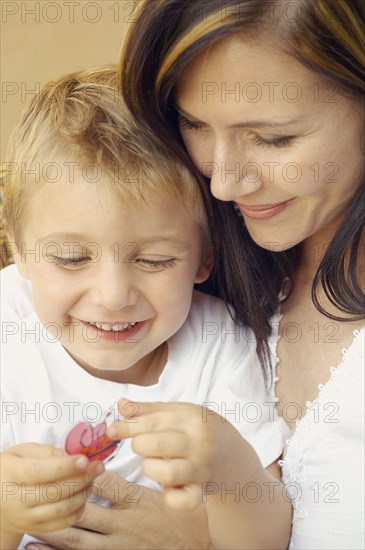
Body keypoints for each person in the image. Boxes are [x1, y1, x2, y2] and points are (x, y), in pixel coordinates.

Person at [5, 1, 364, 548]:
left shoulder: (213, 340)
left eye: (273, 138)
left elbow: (259, 530)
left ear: (204, 256)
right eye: (192, 123)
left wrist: (216, 496)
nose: (222, 184)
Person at [0, 66, 291, 550]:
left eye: (155, 260)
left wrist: (229, 465)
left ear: (206, 256)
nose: (114, 295)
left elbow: (262, 544)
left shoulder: (218, 344)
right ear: (18, 248)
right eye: (72, 258)